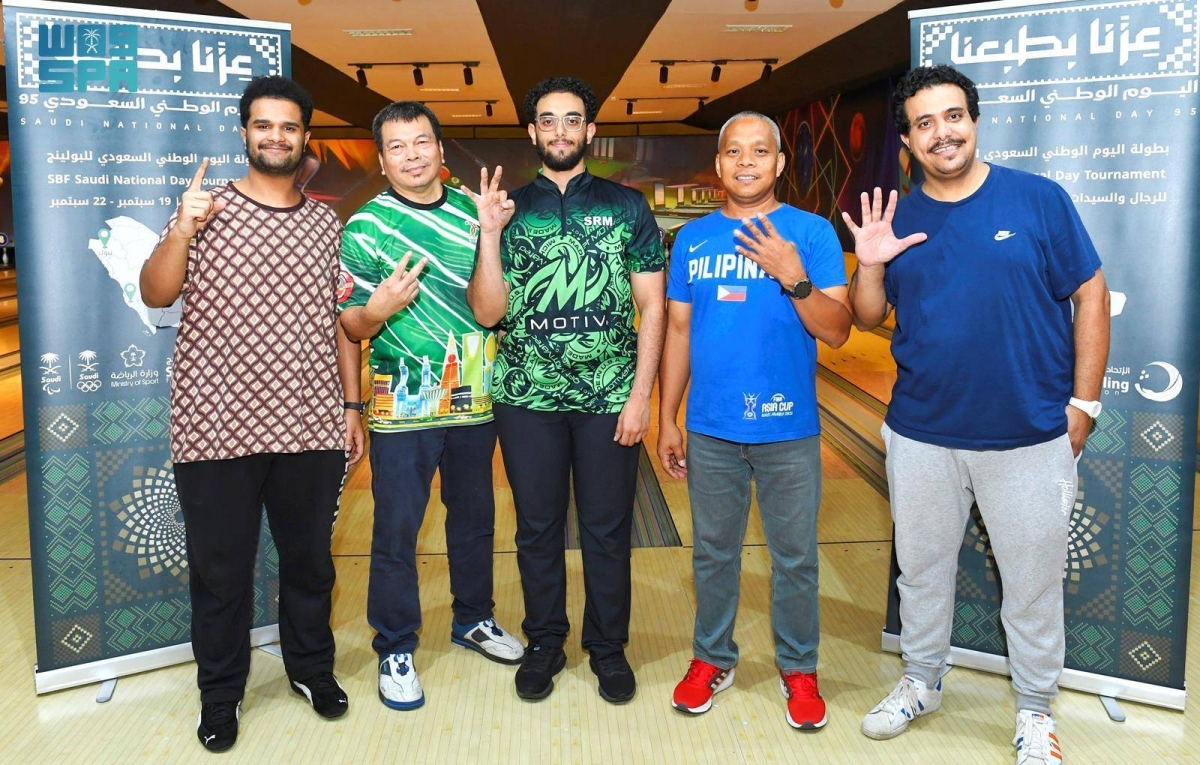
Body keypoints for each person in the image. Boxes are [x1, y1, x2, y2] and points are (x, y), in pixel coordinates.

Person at [843, 65, 1109, 764]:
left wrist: (1084, 404)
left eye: (953, 116)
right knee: (921, 572)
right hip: (921, 434)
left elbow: (1090, 291)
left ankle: (1036, 709)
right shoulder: (898, 217)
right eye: (924, 123)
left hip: (1028, 434)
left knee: (1032, 585)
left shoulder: (1038, 199)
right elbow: (867, 316)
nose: (943, 133)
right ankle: (922, 680)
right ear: (907, 141)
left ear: (975, 120)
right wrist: (869, 264)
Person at [140, 76, 364, 753]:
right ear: (245, 132)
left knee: (310, 565)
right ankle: (220, 694)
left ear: (304, 137)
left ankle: (311, 671)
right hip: (215, 429)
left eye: (289, 126)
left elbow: (340, 325)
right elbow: (156, 292)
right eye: (263, 125)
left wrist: (350, 406)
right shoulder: (205, 208)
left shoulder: (325, 224)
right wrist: (183, 228)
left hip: (310, 425)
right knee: (221, 573)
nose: (276, 136)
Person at [466, 75, 666, 704]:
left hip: (609, 397)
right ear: (532, 132)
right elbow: (489, 312)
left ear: (590, 130)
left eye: (572, 119)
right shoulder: (507, 209)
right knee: (537, 528)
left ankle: (607, 648)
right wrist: (489, 234)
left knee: (608, 529)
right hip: (525, 397)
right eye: (548, 120)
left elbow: (653, 308)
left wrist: (640, 397)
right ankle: (546, 641)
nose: (560, 130)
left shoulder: (627, 205)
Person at [657, 111, 851, 730]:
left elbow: (838, 331)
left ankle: (799, 667)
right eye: (734, 152)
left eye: (760, 151)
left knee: (795, 558)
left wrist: (794, 278)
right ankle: (712, 657)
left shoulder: (811, 233)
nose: (746, 162)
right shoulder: (692, 239)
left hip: (788, 429)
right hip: (711, 428)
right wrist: (668, 418)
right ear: (719, 164)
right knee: (712, 554)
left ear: (780, 162)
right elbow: (679, 331)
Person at [337, 101, 524, 712]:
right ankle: (395, 646)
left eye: (422, 141)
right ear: (382, 159)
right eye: (397, 145)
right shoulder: (364, 228)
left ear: (441, 150)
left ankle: (473, 618)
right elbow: (350, 325)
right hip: (400, 406)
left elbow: (490, 311)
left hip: (473, 398)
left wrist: (490, 235)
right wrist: (378, 309)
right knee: (396, 529)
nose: (412, 154)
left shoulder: (476, 214)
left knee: (474, 521)